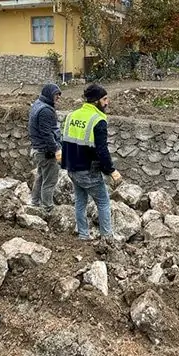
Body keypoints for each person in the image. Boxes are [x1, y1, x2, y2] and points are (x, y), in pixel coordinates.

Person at [61, 84, 122, 241]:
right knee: (103, 202)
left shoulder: (72, 116)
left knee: (80, 201)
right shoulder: (98, 120)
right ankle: (107, 238)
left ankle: (83, 234)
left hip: (72, 167)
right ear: (95, 101)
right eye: (104, 99)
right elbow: (101, 150)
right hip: (88, 170)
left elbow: (66, 141)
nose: (107, 102)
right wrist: (111, 170)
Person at [28, 83, 62, 213]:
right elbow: (46, 133)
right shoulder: (46, 111)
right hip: (46, 151)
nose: (58, 97)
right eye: (56, 94)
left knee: (41, 176)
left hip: (38, 149)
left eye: (59, 94)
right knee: (50, 180)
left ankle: (35, 203)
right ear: (49, 94)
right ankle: (47, 208)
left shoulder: (38, 104)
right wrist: (56, 149)